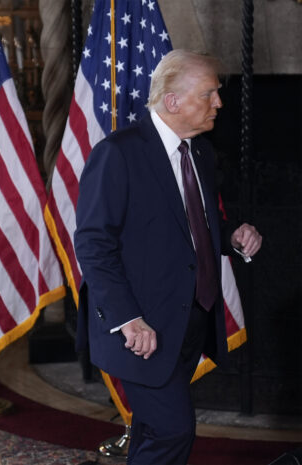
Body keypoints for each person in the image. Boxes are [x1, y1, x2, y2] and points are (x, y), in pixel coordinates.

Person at [73, 49, 262, 465]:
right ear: (172, 101)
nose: (219, 103)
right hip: (141, 327)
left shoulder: (200, 153)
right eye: (209, 93)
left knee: (154, 432)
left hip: (190, 319)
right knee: (173, 431)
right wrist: (128, 318)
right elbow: (91, 243)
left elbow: (191, 224)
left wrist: (233, 235)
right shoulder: (118, 153)